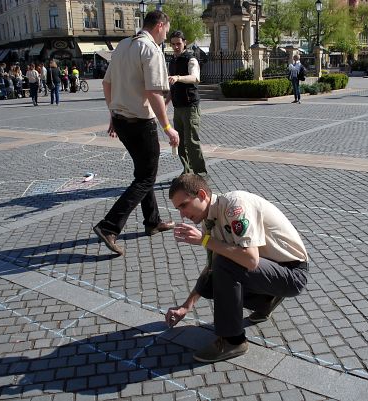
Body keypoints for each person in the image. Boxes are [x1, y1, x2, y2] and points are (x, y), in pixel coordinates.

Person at [165, 174, 309, 363]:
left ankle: (233, 341)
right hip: (272, 268)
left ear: (201, 194)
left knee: (224, 263)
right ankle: (266, 301)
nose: (182, 214)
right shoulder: (212, 219)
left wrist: (204, 240)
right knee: (210, 280)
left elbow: (250, 260)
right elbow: (211, 268)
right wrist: (185, 307)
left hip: (292, 273)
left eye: (184, 205)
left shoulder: (234, 206)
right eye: (178, 209)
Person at [92, 10, 179, 256]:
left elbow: (106, 83)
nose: (166, 34)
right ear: (160, 26)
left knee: (144, 173)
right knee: (146, 178)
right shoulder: (150, 50)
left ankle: (152, 222)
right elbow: (154, 93)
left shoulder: (121, 46)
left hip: (121, 121)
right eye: (166, 30)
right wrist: (167, 127)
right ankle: (109, 226)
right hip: (141, 122)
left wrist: (112, 113)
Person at [167, 30, 207, 177]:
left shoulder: (191, 59)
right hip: (177, 107)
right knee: (180, 142)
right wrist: (165, 103)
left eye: (178, 43)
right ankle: (187, 171)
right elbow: (172, 86)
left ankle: (201, 174)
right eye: (173, 44)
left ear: (185, 42)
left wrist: (178, 77)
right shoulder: (172, 61)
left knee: (191, 141)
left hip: (190, 106)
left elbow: (195, 78)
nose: (176, 47)